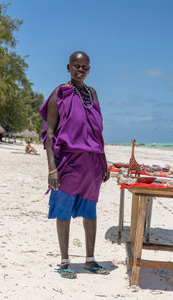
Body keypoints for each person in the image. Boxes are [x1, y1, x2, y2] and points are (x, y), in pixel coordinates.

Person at [40, 51, 110, 279]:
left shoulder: (93, 93)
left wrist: (104, 161)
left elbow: (98, 132)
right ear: (68, 67)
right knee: (63, 209)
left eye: (85, 67)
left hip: (92, 163)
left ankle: (90, 260)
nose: (81, 70)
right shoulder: (59, 93)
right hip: (68, 161)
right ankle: (64, 261)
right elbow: (50, 133)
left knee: (90, 210)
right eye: (77, 66)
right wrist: (52, 168)